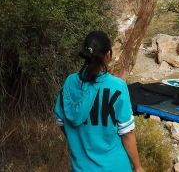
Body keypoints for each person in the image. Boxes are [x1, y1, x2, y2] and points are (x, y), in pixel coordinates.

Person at [54, 31, 145, 171]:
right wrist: (138, 167)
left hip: (80, 167)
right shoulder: (117, 86)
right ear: (108, 55)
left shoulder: (70, 83)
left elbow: (61, 122)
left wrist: (79, 142)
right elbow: (127, 133)